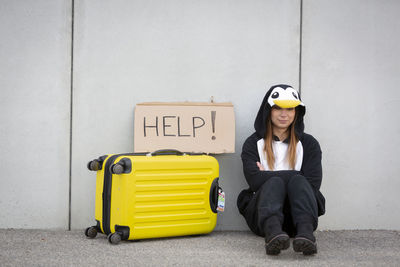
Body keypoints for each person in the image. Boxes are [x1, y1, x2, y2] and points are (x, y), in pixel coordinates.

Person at [237, 84, 325, 256]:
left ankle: (307, 236)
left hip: (298, 220)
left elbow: (313, 184)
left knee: (296, 182)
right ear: (268, 110)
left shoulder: (309, 144)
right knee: (277, 182)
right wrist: (298, 175)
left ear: (296, 112)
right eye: (278, 108)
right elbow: (254, 181)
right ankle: (273, 237)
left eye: (290, 109)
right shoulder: (252, 143)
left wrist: (266, 175)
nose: (284, 114)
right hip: (263, 219)